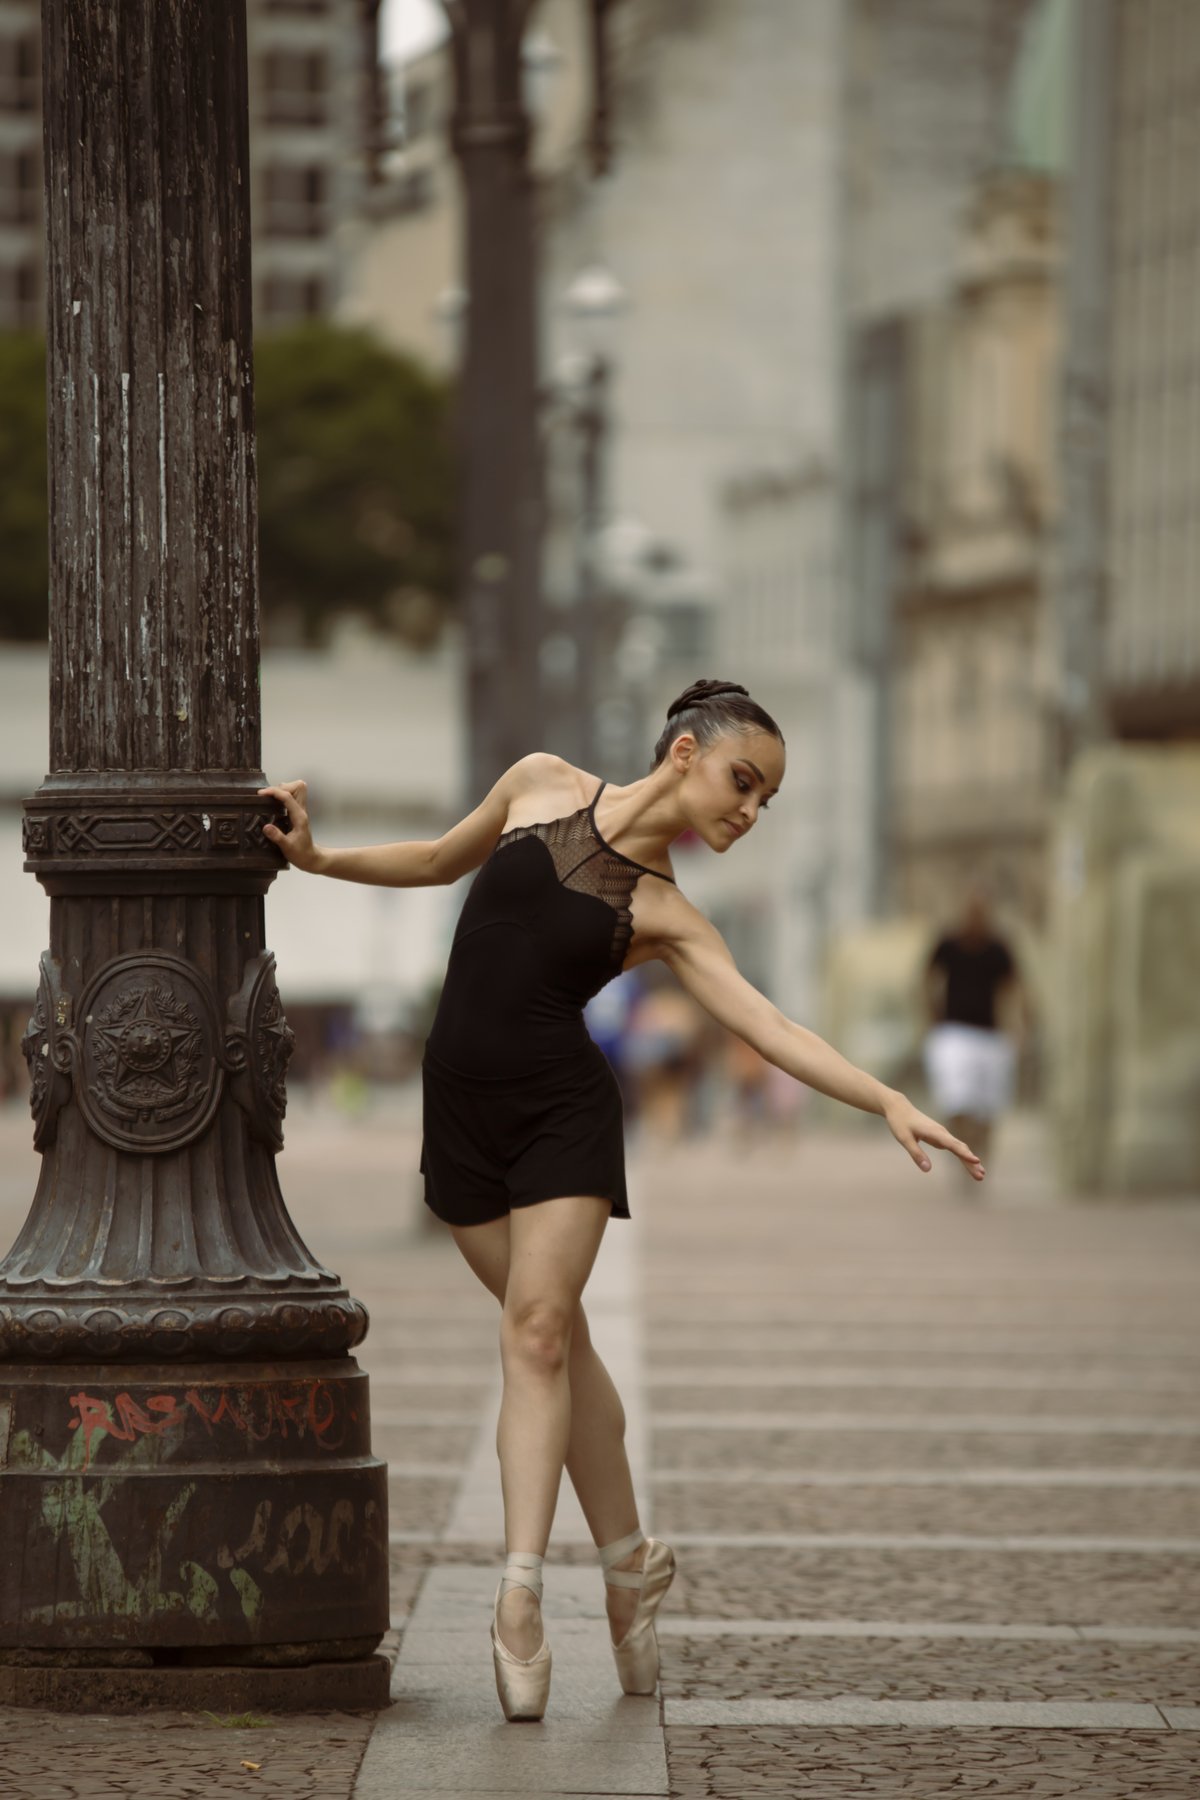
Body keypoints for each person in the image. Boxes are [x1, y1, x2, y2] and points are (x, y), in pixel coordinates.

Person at [260, 677, 983, 1723]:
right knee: (561, 1347)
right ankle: (632, 1564)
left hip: (563, 1116)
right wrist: (321, 861)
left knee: (540, 1335)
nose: (750, 809)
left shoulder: (668, 914)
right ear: (684, 751)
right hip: (460, 1112)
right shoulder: (538, 784)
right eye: (746, 781)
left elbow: (770, 1028)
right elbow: (432, 862)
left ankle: (517, 1595)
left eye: (767, 800)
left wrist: (886, 1099)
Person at [924, 891, 1022, 1179]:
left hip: (990, 1035)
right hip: (954, 1033)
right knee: (957, 1100)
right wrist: (932, 1016)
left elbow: (1014, 985)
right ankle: (959, 1151)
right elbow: (927, 978)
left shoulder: (998, 948)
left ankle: (980, 1156)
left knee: (989, 1107)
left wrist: (1019, 1024)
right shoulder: (948, 944)